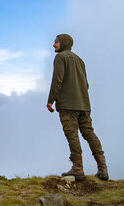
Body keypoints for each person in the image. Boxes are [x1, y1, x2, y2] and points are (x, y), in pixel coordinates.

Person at [47, 34, 109, 181]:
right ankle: (103, 169)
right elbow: (86, 85)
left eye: (56, 42)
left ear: (63, 43)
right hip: (84, 105)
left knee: (72, 134)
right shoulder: (80, 60)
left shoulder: (60, 57)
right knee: (89, 133)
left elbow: (57, 81)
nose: (53, 44)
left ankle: (77, 168)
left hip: (68, 105)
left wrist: (51, 101)